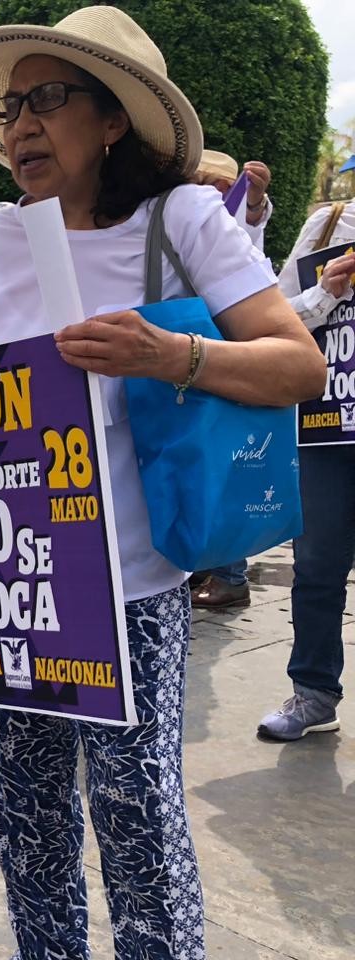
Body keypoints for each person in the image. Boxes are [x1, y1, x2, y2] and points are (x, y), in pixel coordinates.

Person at [0, 8, 324, 958]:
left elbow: (298, 366)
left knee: (138, 821)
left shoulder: (177, 220)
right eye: (12, 106)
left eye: (47, 100)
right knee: (23, 821)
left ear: (112, 123)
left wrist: (171, 352)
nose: (20, 123)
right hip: (10, 582)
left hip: (131, 583)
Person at [258, 199, 355, 741]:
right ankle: (314, 693)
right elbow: (273, 317)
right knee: (316, 567)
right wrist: (325, 294)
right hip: (326, 426)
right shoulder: (329, 221)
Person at [188, 149, 275, 609]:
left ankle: (230, 574)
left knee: (224, 467)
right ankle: (207, 564)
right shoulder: (187, 224)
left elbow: (248, 249)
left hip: (222, 363)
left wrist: (255, 207)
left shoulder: (225, 228)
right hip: (191, 361)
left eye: (216, 185)